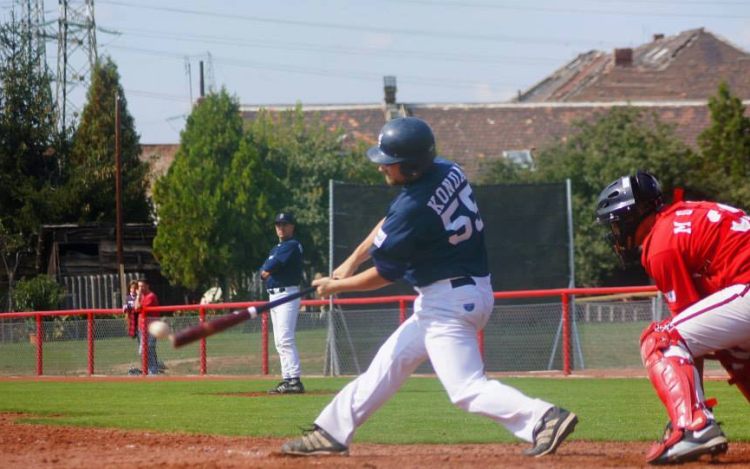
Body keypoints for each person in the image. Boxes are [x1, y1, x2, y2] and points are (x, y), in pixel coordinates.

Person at [281, 117, 578, 457]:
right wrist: (351, 262)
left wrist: (337, 288)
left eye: (388, 163)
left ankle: (543, 418)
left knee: (465, 389)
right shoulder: (447, 170)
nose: (382, 169)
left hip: (449, 303)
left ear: (409, 167)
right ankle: (331, 432)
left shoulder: (413, 208)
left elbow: (386, 273)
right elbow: (390, 224)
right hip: (461, 293)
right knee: (388, 364)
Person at [594, 171, 750, 464]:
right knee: (737, 352)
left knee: (660, 339)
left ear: (633, 215)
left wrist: (692, 411)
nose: (615, 231)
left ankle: (694, 426)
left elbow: (686, 338)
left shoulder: (661, 242)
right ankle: (696, 419)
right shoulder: (686, 216)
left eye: (616, 222)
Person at [260, 212, 305, 394]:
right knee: (279, 341)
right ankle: (287, 379)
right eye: (278, 224)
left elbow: (270, 266)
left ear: (292, 226)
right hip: (274, 296)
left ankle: (295, 379)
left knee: (285, 338)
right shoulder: (275, 248)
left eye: (285, 224)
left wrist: (267, 269)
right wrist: (266, 269)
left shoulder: (292, 245)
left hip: (287, 294)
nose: (281, 227)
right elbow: (262, 270)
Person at [135, 278, 161, 375]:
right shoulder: (141, 296)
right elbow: (135, 307)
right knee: (145, 350)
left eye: (142, 286)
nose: (140, 288)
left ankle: (153, 371)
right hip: (142, 328)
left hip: (151, 328)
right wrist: (138, 296)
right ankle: (150, 370)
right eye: (139, 286)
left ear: (147, 286)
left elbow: (138, 307)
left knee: (147, 349)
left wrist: (138, 295)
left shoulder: (151, 296)